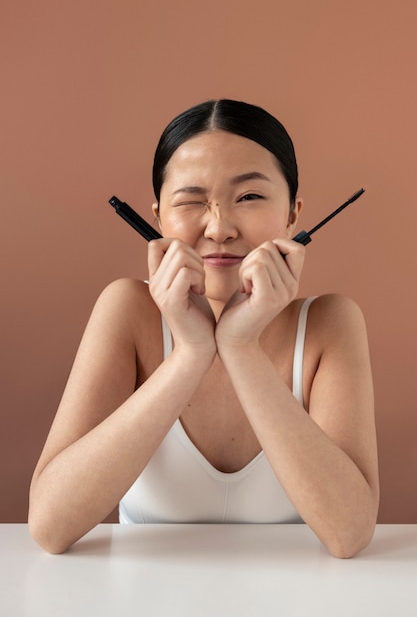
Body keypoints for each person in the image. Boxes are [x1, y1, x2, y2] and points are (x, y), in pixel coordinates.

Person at [29, 99, 379, 557]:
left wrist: (240, 345)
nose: (219, 229)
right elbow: (50, 526)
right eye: (191, 201)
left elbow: (348, 534)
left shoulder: (330, 324)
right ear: (156, 218)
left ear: (293, 214)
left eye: (249, 197)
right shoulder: (128, 310)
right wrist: (190, 353)